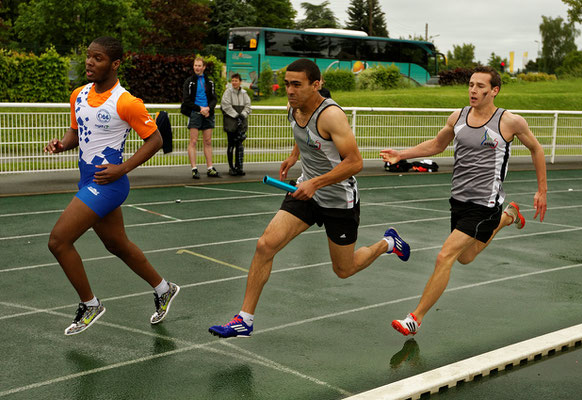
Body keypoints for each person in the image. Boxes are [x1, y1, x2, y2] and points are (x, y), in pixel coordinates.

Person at [209, 59, 411, 338]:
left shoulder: (331, 116)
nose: (290, 91)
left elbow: (355, 163)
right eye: (288, 84)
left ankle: (388, 243)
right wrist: (294, 157)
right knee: (265, 245)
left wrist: (316, 182)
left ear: (316, 85)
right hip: (306, 191)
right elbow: (302, 134)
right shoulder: (293, 108)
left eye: (297, 85)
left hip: (339, 198)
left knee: (344, 268)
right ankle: (244, 319)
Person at [380, 66, 548, 336]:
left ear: (494, 91)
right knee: (466, 257)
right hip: (459, 199)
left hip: (485, 202)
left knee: (445, 256)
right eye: (471, 84)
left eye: (481, 86)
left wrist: (542, 190)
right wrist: (402, 155)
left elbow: (536, 148)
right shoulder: (458, 117)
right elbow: (436, 145)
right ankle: (509, 217)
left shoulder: (509, 122)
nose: (473, 90)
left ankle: (415, 318)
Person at [44, 36, 180, 335]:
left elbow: (155, 140)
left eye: (98, 58)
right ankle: (163, 288)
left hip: (108, 184)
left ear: (115, 64)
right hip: (87, 179)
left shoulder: (126, 101)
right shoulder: (78, 94)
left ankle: (90, 304)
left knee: (58, 241)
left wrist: (123, 168)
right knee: (117, 244)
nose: (89, 62)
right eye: (88, 57)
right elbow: (76, 133)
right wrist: (60, 144)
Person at [181, 56, 219, 179]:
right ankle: (194, 168)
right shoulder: (189, 82)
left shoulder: (210, 82)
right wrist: (199, 109)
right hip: (195, 113)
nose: (197, 68)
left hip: (207, 113)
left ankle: (210, 168)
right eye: (195, 65)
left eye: (199, 65)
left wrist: (208, 109)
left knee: (208, 141)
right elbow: (186, 100)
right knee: (193, 141)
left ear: (204, 67)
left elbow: (214, 98)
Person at [221, 73, 251, 176]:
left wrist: (242, 115)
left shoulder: (244, 93)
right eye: (233, 81)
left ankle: (239, 167)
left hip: (241, 123)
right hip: (231, 123)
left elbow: (248, 106)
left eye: (236, 81)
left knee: (239, 145)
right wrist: (235, 115)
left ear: (240, 82)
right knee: (231, 144)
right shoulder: (227, 93)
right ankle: (231, 167)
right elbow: (225, 105)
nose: (234, 83)